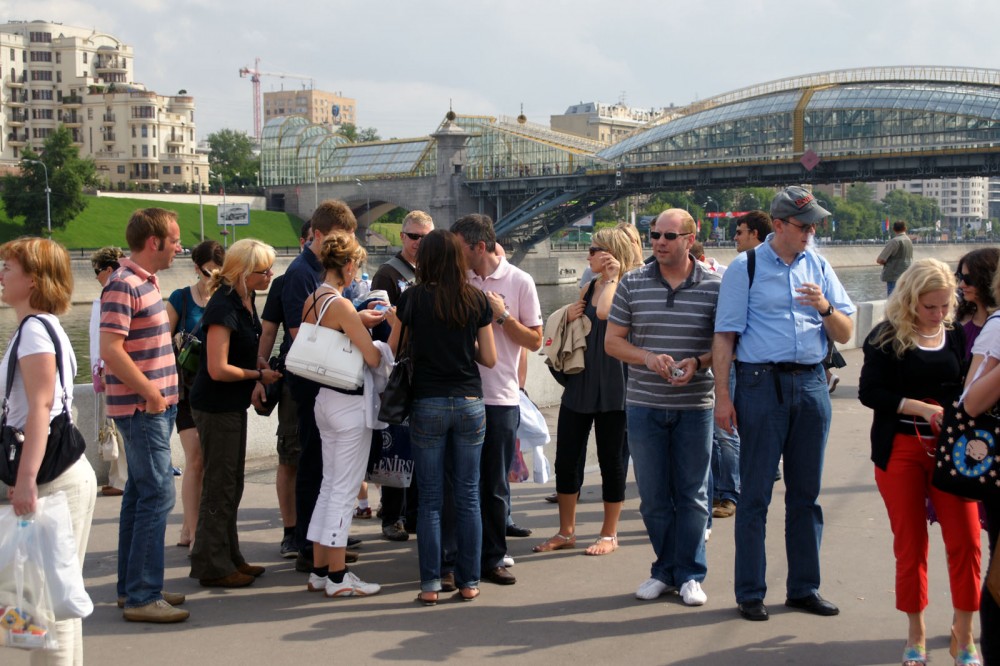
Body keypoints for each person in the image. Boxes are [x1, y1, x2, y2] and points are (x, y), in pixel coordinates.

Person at [713, 186, 855, 622]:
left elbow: (846, 332)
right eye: (804, 225)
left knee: (806, 495)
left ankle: (803, 588)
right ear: (777, 226)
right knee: (754, 494)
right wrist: (723, 396)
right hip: (760, 385)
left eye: (814, 224)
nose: (812, 231)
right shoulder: (747, 267)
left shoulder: (819, 264)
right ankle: (751, 592)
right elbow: (725, 335)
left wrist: (825, 306)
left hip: (812, 385)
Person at [858, 259, 982, 666]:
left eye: (945, 306)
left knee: (966, 541)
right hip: (901, 449)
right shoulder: (885, 337)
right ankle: (916, 633)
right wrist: (920, 407)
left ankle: (963, 634)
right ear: (910, 300)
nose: (940, 314)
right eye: (930, 307)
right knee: (911, 546)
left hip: (954, 453)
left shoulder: (956, 335)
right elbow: (870, 392)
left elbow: (969, 385)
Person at [606, 208, 721, 607]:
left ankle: (689, 573)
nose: (659, 241)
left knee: (692, 495)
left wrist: (700, 362)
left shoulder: (715, 285)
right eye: (654, 234)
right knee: (654, 497)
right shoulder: (633, 283)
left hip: (694, 405)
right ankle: (664, 569)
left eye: (669, 236)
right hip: (644, 404)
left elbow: (725, 345)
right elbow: (612, 342)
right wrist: (647, 358)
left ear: (691, 238)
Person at [2, 237, 98, 665]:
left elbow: (41, 407)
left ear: (35, 280)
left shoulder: (34, 332)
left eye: (9, 267)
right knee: (57, 599)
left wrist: (25, 482)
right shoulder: (42, 327)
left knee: (48, 605)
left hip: (49, 479)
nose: (1, 274)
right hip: (60, 474)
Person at [390, 228, 496, 605]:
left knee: (431, 498)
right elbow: (489, 358)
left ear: (426, 260)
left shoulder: (413, 298)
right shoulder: (476, 299)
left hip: (428, 402)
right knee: (469, 495)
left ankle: (431, 584)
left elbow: (393, 348)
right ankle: (469, 582)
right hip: (469, 401)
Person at [100, 207, 189, 623]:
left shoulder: (143, 283)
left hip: (153, 408)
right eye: (174, 240)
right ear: (154, 242)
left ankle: (132, 586)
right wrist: (152, 392)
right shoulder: (124, 285)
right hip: (143, 409)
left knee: (139, 496)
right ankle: (142, 595)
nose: (179, 247)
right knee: (157, 495)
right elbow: (111, 349)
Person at [452, 214, 543, 586]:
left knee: (493, 482)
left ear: (479, 247)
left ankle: (493, 555)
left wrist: (502, 316)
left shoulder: (520, 281)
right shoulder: (456, 280)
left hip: (501, 396)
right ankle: (460, 555)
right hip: (459, 394)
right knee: (459, 481)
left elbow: (536, 341)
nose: (455, 255)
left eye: (460, 248)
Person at [534, 228, 637, 557]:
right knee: (566, 459)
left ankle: (609, 533)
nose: (587, 255)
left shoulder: (628, 286)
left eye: (594, 250)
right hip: (581, 383)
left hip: (614, 386)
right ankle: (566, 531)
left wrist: (611, 278)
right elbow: (577, 322)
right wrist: (571, 311)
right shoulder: (588, 286)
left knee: (612, 462)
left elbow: (606, 312)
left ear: (610, 253)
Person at [281, 200, 370, 573]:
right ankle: (315, 552)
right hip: (321, 385)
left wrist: (352, 320)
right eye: (339, 239)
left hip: (318, 387)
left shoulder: (312, 279)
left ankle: (321, 551)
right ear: (318, 236)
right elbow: (301, 334)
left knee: (324, 473)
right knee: (324, 473)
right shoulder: (304, 274)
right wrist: (356, 326)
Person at [188, 239, 281, 588]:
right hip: (215, 406)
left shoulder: (246, 299)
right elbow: (217, 368)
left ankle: (230, 557)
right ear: (242, 272)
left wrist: (257, 363)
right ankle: (212, 564)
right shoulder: (223, 306)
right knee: (220, 486)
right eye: (264, 270)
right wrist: (259, 376)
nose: (270, 275)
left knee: (232, 484)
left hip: (231, 404)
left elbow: (245, 349)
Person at [302, 231, 388, 598]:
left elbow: (335, 332)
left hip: (324, 399)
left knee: (328, 485)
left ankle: (320, 569)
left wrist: (358, 321)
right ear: (349, 265)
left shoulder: (314, 298)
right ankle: (338, 577)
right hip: (348, 404)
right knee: (344, 489)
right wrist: (382, 336)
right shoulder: (341, 304)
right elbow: (371, 357)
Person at [371, 210, 434, 542]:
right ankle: (391, 515)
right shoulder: (387, 275)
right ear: (402, 237)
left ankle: (413, 513)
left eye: (425, 237)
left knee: (418, 446)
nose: (418, 243)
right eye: (413, 236)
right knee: (396, 445)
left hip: (423, 368)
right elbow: (380, 325)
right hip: (397, 368)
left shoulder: (432, 272)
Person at [253, 220, 311, 559]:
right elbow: (269, 332)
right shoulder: (287, 282)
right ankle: (291, 531)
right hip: (292, 378)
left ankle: (319, 531)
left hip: (325, 382)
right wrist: (260, 371)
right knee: (290, 456)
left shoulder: (336, 281)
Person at [166, 239, 224, 550]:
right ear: (195, 268)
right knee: (196, 459)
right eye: (207, 272)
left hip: (215, 389)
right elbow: (159, 341)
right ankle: (191, 529)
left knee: (210, 462)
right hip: (187, 389)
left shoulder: (226, 298)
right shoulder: (180, 299)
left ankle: (192, 529)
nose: (212, 278)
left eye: (218, 272)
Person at [90, 245, 127, 497]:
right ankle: (118, 477)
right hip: (109, 367)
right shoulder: (113, 292)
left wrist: (103, 369)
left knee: (119, 428)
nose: (95, 276)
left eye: (97, 271)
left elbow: (108, 338)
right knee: (115, 427)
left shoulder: (112, 294)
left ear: (109, 269)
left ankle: (122, 479)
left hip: (112, 369)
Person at [954, 247, 1000, 359]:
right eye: (960, 277)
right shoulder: (958, 322)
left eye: (969, 279)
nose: (961, 284)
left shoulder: (996, 326)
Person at [877, 221, 914, 296]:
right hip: (906, 276)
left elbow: (880, 259)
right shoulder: (909, 241)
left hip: (894, 277)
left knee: (893, 300)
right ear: (905, 228)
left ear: (893, 229)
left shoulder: (895, 241)